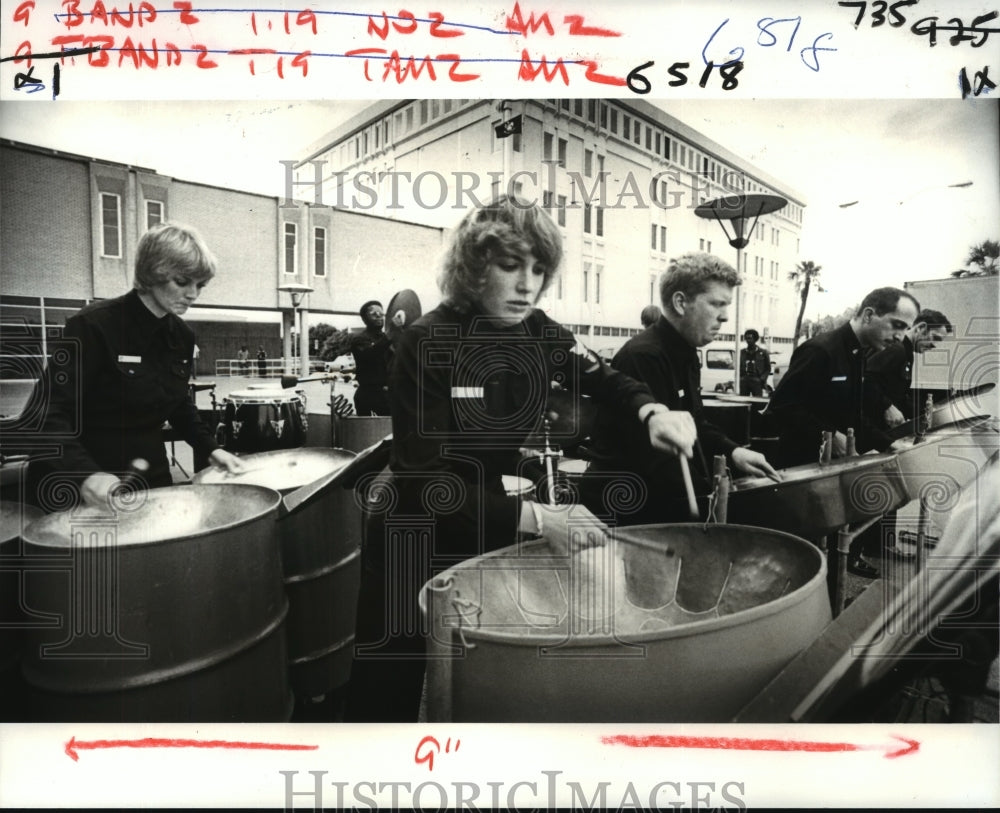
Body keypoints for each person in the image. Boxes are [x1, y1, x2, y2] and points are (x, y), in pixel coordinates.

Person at [345, 196, 697, 722]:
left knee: (475, 678)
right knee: (388, 687)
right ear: (473, 268)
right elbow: (424, 478)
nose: (527, 284)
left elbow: (606, 377)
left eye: (538, 269)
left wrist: (652, 412)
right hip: (411, 529)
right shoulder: (427, 340)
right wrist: (540, 519)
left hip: (482, 521)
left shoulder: (539, 331)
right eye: (510, 266)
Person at [26, 222, 244, 509]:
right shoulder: (93, 325)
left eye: (199, 285)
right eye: (182, 282)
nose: (193, 294)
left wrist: (211, 449)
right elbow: (46, 413)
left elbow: (177, 402)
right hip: (82, 478)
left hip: (148, 477)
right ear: (154, 272)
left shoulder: (181, 335)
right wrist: (86, 475)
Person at [583, 253, 778, 526]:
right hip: (624, 514)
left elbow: (693, 423)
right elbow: (657, 458)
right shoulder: (644, 356)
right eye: (716, 304)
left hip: (658, 505)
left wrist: (734, 452)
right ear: (680, 302)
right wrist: (708, 503)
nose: (724, 316)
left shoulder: (687, 352)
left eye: (727, 305)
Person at [767, 286, 920, 578]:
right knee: (803, 557)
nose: (901, 336)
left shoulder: (858, 355)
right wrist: (828, 434)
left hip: (830, 471)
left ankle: (830, 610)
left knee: (834, 549)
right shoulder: (821, 350)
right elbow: (783, 405)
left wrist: (890, 444)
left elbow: (855, 415)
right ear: (869, 314)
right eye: (897, 325)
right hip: (802, 472)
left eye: (906, 329)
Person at [858, 308, 953, 562]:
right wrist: (886, 406)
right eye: (934, 338)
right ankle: (865, 550)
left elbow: (896, 393)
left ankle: (881, 546)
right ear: (920, 328)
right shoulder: (897, 350)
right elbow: (865, 380)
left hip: (884, 431)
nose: (934, 346)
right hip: (872, 432)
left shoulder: (906, 353)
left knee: (888, 489)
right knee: (878, 491)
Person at [349, 299, 392, 416]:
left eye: (381, 314)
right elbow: (370, 354)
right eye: (374, 314)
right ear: (364, 319)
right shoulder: (359, 339)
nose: (379, 316)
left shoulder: (387, 338)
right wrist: (391, 333)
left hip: (387, 395)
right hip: (367, 395)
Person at [739, 328, 771, 397]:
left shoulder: (763, 352)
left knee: (757, 402)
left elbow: (768, 368)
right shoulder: (742, 352)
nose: (748, 340)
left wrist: (762, 379)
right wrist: (741, 378)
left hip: (757, 381)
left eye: (750, 338)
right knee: (743, 401)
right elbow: (738, 366)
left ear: (755, 339)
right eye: (746, 338)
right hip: (744, 381)